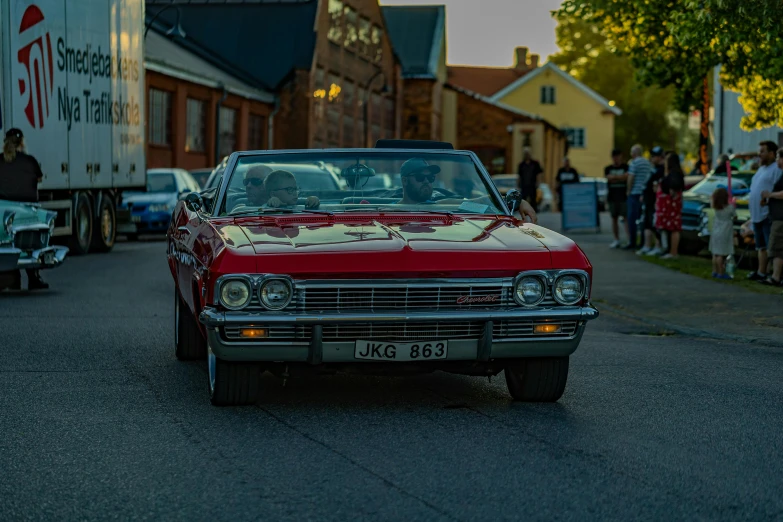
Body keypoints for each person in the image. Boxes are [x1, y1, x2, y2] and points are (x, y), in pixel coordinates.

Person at [398, 157, 538, 223]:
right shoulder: (386, 209)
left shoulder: (442, 205)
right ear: (404, 181)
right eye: (420, 177)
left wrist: (517, 201)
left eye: (431, 178)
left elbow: (477, 203)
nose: (427, 182)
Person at [0, 128, 48, 290]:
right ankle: (34, 276)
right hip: (26, 211)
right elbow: (39, 178)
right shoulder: (30, 161)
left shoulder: (0, 160)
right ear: (22, 143)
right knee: (33, 236)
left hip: (4, 211)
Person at [745, 140, 782, 282]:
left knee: (770, 246)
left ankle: (773, 275)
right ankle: (761, 272)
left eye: (762, 151)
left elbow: (775, 189)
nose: (759, 154)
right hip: (756, 214)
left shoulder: (776, 169)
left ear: (772, 153)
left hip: (768, 214)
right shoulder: (761, 169)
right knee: (760, 246)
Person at [758, 147, 783, 286]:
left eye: (780, 158)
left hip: (780, 218)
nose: (778, 161)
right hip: (776, 216)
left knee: (777, 249)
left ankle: (775, 277)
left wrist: (770, 195)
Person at [654, 151, 685, 259]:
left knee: (674, 228)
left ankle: (673, 252)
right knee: (669, 228)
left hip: (671, 206)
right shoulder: (676, 173)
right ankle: (669, 250)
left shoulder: (674, 174)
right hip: (669, 205)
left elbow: (674, 188)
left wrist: (670, 194)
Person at [638, 146, 665, 256]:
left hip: (654, 201)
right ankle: (647, 245)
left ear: (660, 157)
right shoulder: (652, 168)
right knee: (647, 223)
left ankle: (658, 246)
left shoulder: (661, 170)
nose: (652, 158)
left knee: (654, 224)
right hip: (647, 200)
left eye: (654, 156)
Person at [625, 144, 652, 250]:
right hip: (644, 194)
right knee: (642, 220)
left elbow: (631, 177)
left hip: (635, 194)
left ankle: (632, 242)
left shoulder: (634, 163)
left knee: (632, 219)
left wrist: (628, 191)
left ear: (634, 153)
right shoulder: (647, 163)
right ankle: (642, 242)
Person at [708, 187, 736, 279]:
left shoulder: (716, 207)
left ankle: (714, 271)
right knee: (721, 254)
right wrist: (734, 204)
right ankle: (721, 272)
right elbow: (734, 216)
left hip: (716, 231)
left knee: (715, 253)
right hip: (725, 232)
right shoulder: (729, 208)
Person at [605, 149, 629, 248]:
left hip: (623, 196)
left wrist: (614, 178)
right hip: (612, 197)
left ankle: (629, 239)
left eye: (618, 156)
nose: (616, 158)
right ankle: (616, 239)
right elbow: (609, 178)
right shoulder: (608, 168)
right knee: (614, 218)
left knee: (626, 217)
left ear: (621, 156)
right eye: (614, 156)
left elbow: (626, 177)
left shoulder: (626, 167)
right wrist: (620, 177)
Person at [516, 148, 543, 213]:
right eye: (525, 154)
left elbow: (538, 173)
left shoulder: (535, 163)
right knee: (524, 199)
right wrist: (518, 184)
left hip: (532, 184)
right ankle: (524, 211)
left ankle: (534, 211)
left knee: (533, 199)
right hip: (524, 184)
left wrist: (538, 182)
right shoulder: (521, 164)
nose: (527, 155)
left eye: (528, 153)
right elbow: (519, 175)